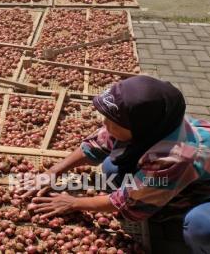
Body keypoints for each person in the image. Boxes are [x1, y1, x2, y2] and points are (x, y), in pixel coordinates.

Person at [21, 76, 210, 254]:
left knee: (200, 227)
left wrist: (74, 203)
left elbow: (128, 203)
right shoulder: (154, 122)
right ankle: (166, 196)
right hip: (183, 170)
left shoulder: (173, 157)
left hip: (203, 188)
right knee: (111, 167)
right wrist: (54, 171)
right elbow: (96, 145)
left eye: (113, 122)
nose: (105, 124)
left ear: (139, 127)